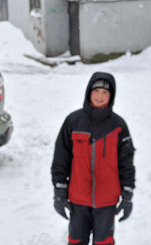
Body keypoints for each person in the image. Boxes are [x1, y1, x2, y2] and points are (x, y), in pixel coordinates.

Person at [51, 72, 135, 245]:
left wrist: (127, 194)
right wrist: (59, 191)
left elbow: (126, 163)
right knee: (76, 241)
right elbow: (61, 158)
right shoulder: (73, 121)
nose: (100, 97)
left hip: (107, 201)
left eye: (105, 93)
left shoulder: (118, 126)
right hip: (78, 199)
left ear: (111, 96)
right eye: (96, 91)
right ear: (89, 92)